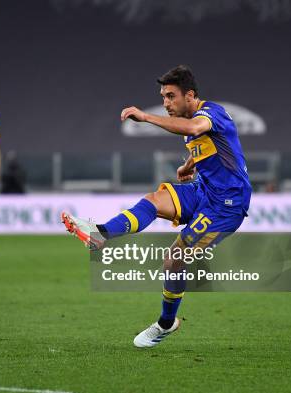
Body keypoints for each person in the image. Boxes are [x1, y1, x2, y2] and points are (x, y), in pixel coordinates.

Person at [61, 65, 251, 347]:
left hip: (227, 204)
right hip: (204, 190)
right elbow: (208, 145)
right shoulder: (189, 125)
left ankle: (166, 323)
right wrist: (188, 165)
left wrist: (147, 117)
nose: (166, 103)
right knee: (152, 201)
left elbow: (197, 128)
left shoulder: (211, 113)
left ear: (190, 95)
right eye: (163, 97)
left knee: (174, 259)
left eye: (171, 96)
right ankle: (100, 233)